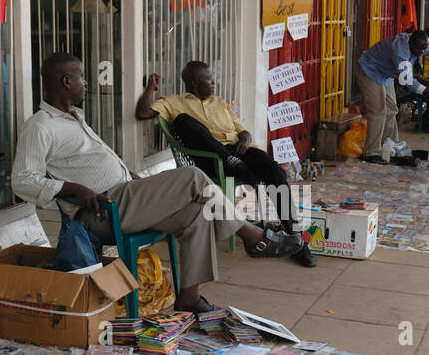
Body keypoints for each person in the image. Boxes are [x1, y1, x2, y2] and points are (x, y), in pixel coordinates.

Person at [13, 53, 304, 314]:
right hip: (103, 210)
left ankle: (189, 299)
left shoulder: (73, 118)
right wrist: (72, 189)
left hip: (126, 195)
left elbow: (89, 163)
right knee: (192, 177)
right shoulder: (40, 126)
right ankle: (252, 236)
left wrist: (129, 176)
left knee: (196, 214)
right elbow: (23, 181)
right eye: (81, 77)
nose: (86, 82)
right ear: (66, 81)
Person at [135, 61, 315, 267]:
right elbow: (143, 112)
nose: (214, 81)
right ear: (194, 83)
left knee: (274, 172)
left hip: (240, 152)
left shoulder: (219, 102)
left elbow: (242, 131)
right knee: (183, 120)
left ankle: (296, 239)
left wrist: (246, 140)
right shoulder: (175, 102)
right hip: (212, 158)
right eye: (208, 78)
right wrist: (151, 86)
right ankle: (233, 162)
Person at [355, 29, 429, 163]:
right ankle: (371, 153)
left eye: (424, 49)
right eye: (417, 49)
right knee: (379, 111)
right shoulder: (400, 50)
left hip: (386, 74)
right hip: (370, 71)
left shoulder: (422, 44)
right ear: (410, 43)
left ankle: (390, 146)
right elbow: (408, 82)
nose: (421, 53)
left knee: (391, 109)